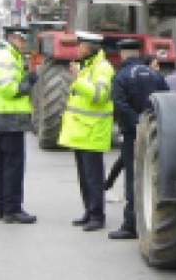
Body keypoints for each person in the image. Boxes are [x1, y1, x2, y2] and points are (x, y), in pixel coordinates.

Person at [108, 38, 168, 239]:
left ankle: (130, 224)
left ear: (122, 54)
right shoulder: (155, 75)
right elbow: (166, 100)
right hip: (155, 132)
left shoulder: (121, 76)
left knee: (132, 179)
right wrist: (149, 123)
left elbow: (119, 104)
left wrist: (136, 123)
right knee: (151, 175)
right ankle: (150, 217)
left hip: (132, 134)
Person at [0, 26, 36, 224]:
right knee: (13, 165)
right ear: (12, 38)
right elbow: (9, 89)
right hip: (9, 118)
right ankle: (12, 210)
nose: (24, 45)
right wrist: (30, 82)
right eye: (22, 40)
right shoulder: (7, 57)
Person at [58, 31, 115, 232]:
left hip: (93, 132)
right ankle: (89, 211)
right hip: (81, 133)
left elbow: (99, 96)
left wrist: (77, 80)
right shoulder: (87, 68)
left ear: (89, 48)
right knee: (84, 177)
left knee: (94, 178)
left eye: (80, 46)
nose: (77, 49)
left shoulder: (103, 69)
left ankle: (97, 216)